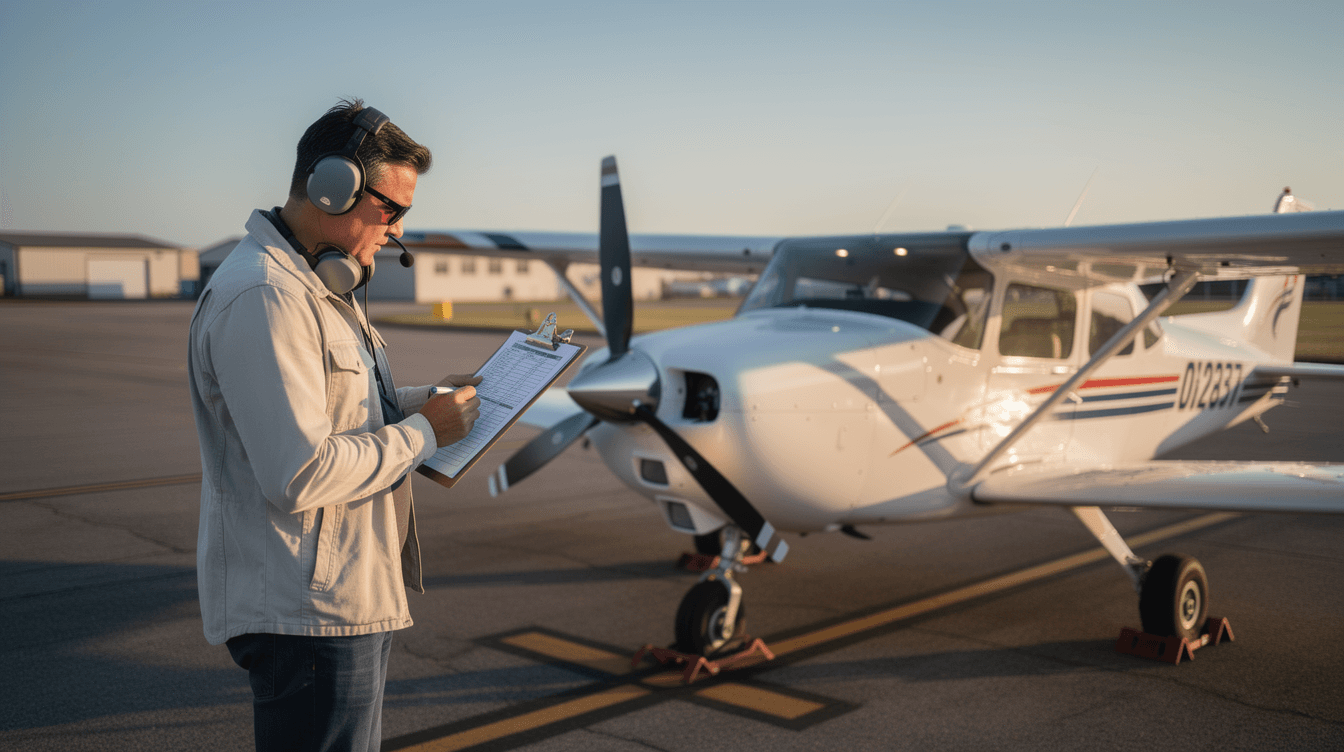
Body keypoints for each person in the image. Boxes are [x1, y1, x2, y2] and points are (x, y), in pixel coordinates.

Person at [188, 99, 481, 751]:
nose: (399, 230)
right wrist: (426, 433)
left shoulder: (314, 287)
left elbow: (340, 410)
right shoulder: (267, 297)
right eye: (393, 210)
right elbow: (299, 471)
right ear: (333, 186)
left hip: (333, 605)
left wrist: (426, 402)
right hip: (307, 619)